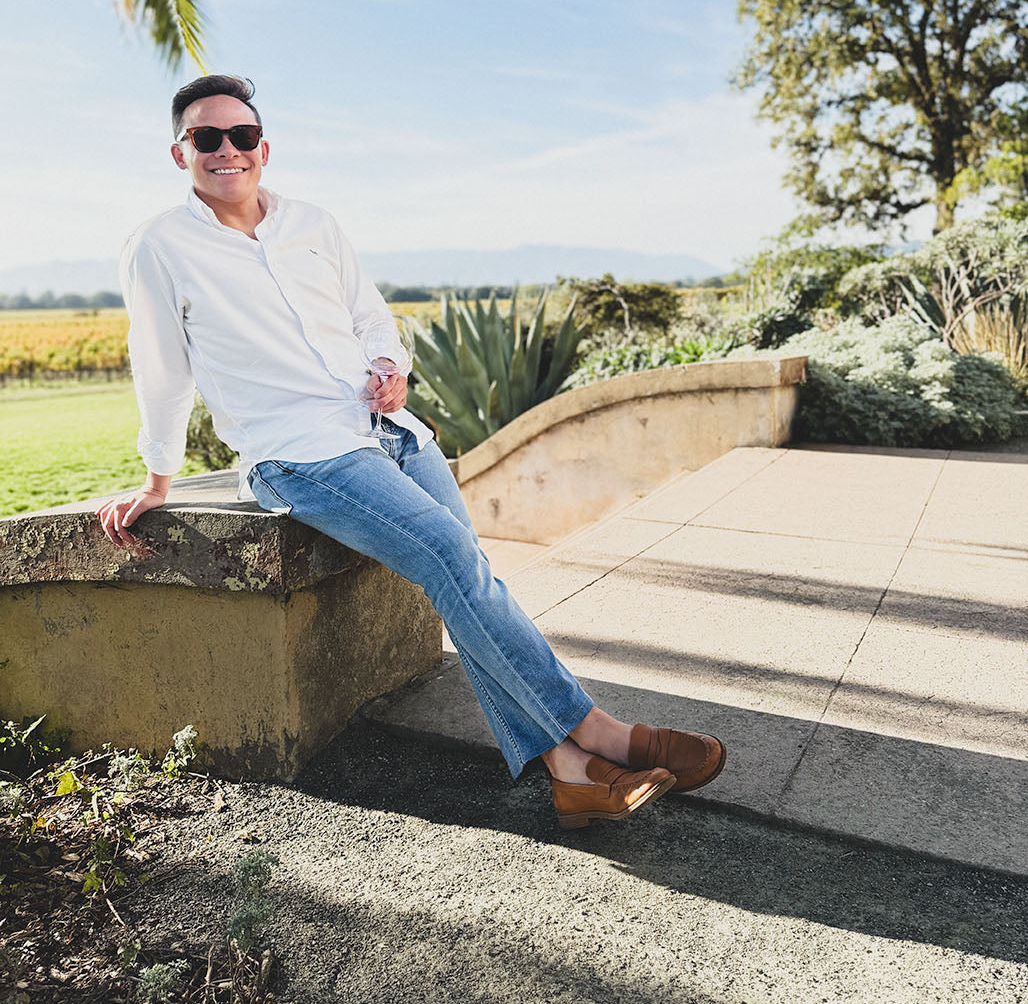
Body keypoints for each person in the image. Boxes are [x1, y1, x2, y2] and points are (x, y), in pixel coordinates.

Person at [97, 75, 726, 828]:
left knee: (467, 576)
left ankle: (572, 775)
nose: (226, 150)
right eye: (207, 138)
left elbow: (369, 316)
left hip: (388, 431)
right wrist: (158, 478)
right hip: (299, 454)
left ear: (265, 149)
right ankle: (601, 732)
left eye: (241, 136)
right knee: (452, 561)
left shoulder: (313, 223)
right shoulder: (159, 246)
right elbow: (162, 367)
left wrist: (391, 370)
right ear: (181, 153)